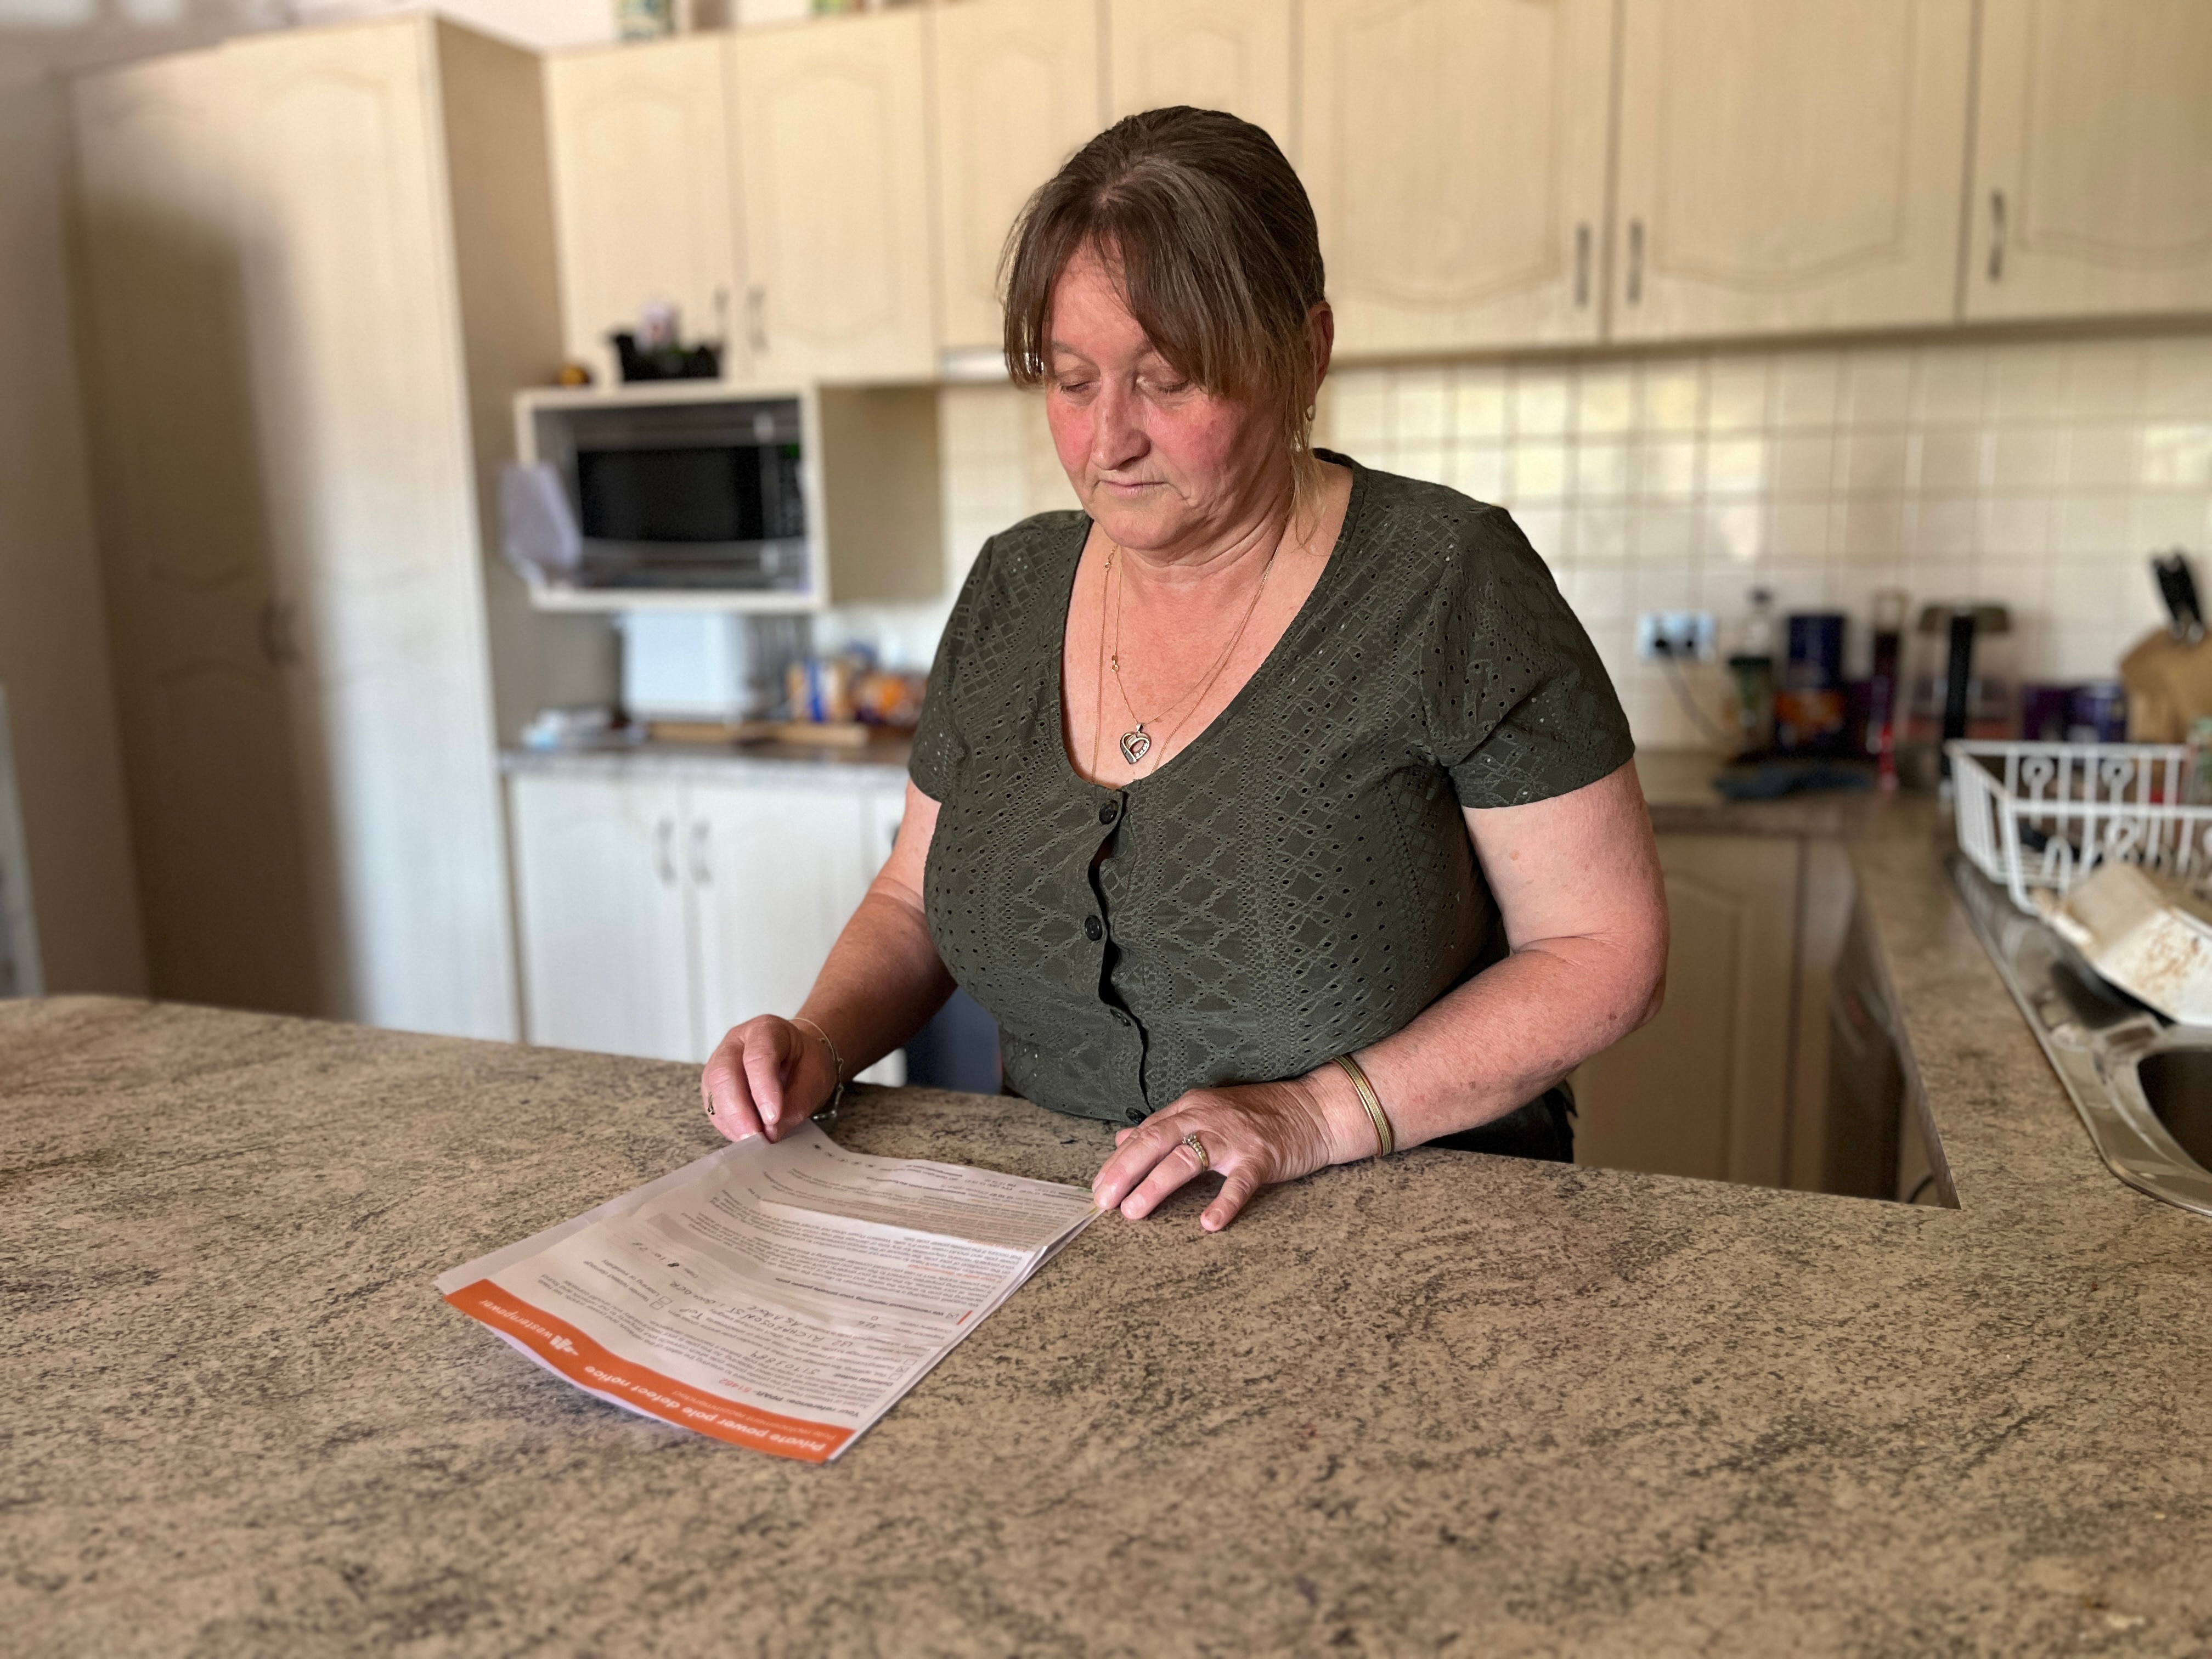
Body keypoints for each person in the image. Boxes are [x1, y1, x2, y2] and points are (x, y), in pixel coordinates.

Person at [701, 107, 1669, 1233]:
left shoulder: (1449, 583)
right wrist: (817, 1041)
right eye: (1070, 382)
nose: (1107, 440)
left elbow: (1605, 950)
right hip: (1062, 1239)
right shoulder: (1015, 589)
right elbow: (914, 896)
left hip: (1411, 1241)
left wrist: (1314, 1115)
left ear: (1305, 354)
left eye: (1166, 381)